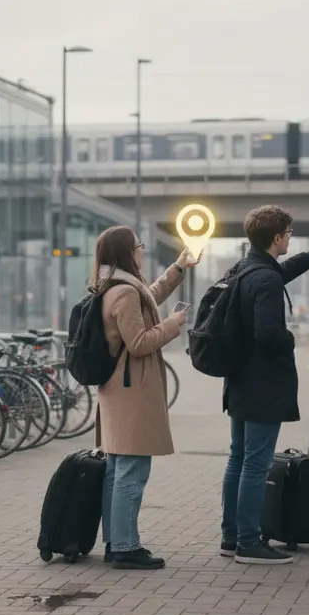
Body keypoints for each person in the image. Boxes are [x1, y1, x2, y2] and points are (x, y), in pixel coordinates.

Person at [220, 205, 309, 565]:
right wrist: (290, 340)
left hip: (239, 380)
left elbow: (274, 273)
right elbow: (269, 333)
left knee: (238, 459)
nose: (290, 238)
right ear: (277, 238)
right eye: (288, 234)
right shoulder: (264, 279)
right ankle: (249, 542)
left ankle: (230, 536)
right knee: (255, 465)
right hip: (263, 384)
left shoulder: (245, 268)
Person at [91, 225, 198, 570]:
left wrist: (178, 268)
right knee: (131, 470)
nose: (141, 249)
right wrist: (171, 324)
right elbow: (138, 343)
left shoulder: (116, 285)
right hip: (131, 389)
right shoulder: (122, 292)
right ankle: (124, 545)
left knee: (117, 468)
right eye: (138, 245)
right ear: (127, 251)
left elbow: (147, 297)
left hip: (120, 389)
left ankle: (116, 541)